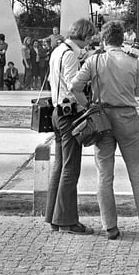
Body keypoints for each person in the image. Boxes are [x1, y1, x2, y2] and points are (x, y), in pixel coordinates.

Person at [71, 20, 139, 240]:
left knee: (104, 174)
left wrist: (88, 105)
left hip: (102, 119)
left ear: (104, 39)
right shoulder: (134, 63)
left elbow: (74, 87)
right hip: (127, 117)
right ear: (123, 39)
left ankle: (110, 227)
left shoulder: (94, 61)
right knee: (137, 172)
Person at [45, 18, 97, 235]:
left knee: (59, 166)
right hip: (69, 115)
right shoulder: (71, 54)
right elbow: (73, 85)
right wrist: (88, 105)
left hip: (57, 112)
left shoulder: (58, 50)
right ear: (84, 36)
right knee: (71, 168)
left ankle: (53, 215)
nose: (90, 42)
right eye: (90, 37)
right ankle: (67, 221)